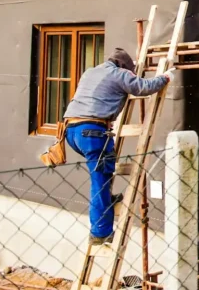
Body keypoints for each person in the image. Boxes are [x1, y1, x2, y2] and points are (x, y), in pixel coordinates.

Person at [61, 48, 174, 245]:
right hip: (92, 132)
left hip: (71, 132)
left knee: (102, 175)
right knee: (99, 183)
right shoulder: (119, 74)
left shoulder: (91, 72)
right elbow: (142, 87)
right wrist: (165, 77)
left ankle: (106, 203)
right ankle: (100, 233)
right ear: (123, 66)